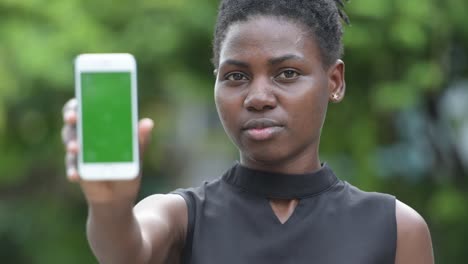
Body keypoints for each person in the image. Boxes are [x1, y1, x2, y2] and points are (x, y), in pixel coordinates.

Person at [62, 0, 434, 263]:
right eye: (236, 76)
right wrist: (109, 203)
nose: (257, 98)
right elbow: (126, 252)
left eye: (286, 73)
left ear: (334, 81)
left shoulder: (396, 229)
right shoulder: (181, 218)